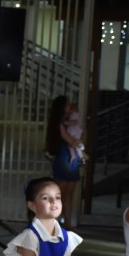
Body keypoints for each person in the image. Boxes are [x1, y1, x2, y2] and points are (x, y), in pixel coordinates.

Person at [44, 96, 81, 226]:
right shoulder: (60, 124)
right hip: (65, 158)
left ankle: (67, 223)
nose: (70, 106)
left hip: (68, 158)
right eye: (67, 104)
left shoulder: (64, 122)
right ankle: (59, 223)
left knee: (66, 193)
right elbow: (70, 140)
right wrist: (78, 141)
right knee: (63, 193)